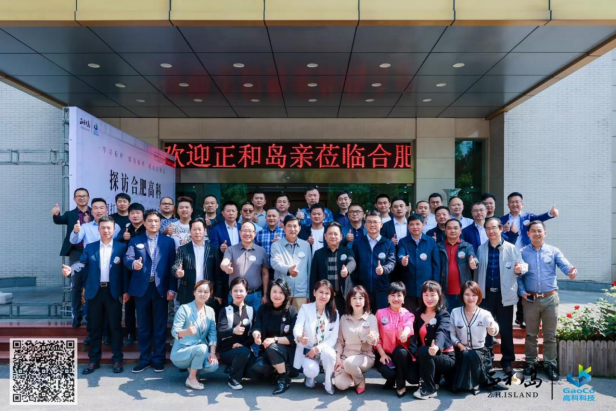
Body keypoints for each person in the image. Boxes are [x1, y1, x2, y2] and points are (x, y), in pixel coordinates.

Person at [61, 215, 127, 375]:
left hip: (113, 292)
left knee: (115, 327)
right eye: (103, 228)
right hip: (95, 292)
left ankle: (117, 359)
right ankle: (94, 361)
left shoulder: (121, 247)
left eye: (109, 228)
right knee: (95, 327)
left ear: (114, 230)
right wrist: (71, 270)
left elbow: (125, 272)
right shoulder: (90, 247)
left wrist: (125, 291)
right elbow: (81, 263)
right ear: (98, 229)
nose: (106, 230)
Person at [518, 221, 577, 381]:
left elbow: (565, 265)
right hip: (530, 299)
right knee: (531, 334)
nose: (536, 234)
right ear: (528, 234)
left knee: (550, 335)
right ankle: (531, 363)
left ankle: (550, 364)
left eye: (539, 231)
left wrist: (571, 271)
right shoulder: (522, 253)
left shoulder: (553, 251)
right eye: (533, 231)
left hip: (550, 298)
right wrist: (522, 292)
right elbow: (519, 276)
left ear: (545, 233)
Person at [124, 210, 177, 373]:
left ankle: (158, 359)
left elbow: (173, 266)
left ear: (160, 223)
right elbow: (127, 258)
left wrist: (172, 287)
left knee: (160, 325)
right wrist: (133, 264)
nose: (153, 223)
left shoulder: (168, 242)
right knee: (143, 326)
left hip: (161, 288)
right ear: (144, 223)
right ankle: (145, 359)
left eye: (156, 221)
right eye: (150, 221)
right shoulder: (135, 240)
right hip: (141, 288)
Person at [474, 217, 526, 374]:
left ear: (501, 229)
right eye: (487, 228)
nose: (490, 231)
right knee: (486, 328)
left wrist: (520, 269)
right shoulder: (481, 249)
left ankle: (507, 361)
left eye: (493, 228)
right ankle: (487, 360)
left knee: (505, 329)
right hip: (486, 295)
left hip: (505, 295)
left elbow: (522, 265)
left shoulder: (511, 248)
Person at [449, 281, 507, 394]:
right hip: (460, 351)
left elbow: (493, 325)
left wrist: (492, 329)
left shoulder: (484, 314)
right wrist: (459, 345)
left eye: (474, 295)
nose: (470, 298)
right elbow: (451, 334)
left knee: (470, 355)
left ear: (479, 296)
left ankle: (473, 383)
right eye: (467, 294)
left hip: (479, 352)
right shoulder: (455, 312)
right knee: (465, 354)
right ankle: (473, 381)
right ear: (462, 295)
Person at [52, 187, 92, 327]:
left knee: (91, 284)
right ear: (74, 199)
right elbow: (59, 220)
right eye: (78, 196)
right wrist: (56, 214)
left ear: (88, 198)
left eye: (84, 195)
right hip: (76, 252)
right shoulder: (70, 214)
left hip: (93, 252)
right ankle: (77, 315)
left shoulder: (94, 213)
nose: (81, 198)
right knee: (76, 285)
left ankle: (90, 315)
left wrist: (90, 220)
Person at [251, 278, 298, 395]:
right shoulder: (263, 309)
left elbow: (293, 339)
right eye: (274, 291)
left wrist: (274, 340)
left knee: (272, 347)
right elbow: (257, 327)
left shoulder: (292, 311)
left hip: (286, 351)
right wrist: (256, 335)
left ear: (286, 294)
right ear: (269, 293)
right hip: (267, 350)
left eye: (281, 292)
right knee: (256, 368)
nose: (277, 295)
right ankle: (277, 372)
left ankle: (283, 379)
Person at [410, 281, 455, 400]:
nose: (429, 298)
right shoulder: (418, 313)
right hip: (425, 356)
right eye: (426, 295)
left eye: (432, 295)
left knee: (424, 350)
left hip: (444, 357)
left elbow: (442, 332)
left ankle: (428, 389)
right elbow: (413, 334)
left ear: (439, 296)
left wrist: (436, 346)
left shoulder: (443, 314)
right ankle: (432, 381)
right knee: (413, 370)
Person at [170, 280, 219, 390]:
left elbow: (212, 333)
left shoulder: (210, 311)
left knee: (213, 365)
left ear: (210, 294)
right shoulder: (184, 308)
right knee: (202, 348)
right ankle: (191, 378)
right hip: (182, 351)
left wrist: (212, 353)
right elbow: (174, 331)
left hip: (200, 350)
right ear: (194, 292)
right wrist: (186, 332)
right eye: (200, 291)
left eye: (206, 292)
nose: (202, 294)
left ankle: (193, 369)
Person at [294, 280, 340, 395]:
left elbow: (333, 339)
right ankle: (310, 377)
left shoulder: (334, 313)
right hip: (308, 351)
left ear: (331, 295)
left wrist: (317, 349)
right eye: (321, 292)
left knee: (329, 354)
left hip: (323, 350)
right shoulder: (305, 308)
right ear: (314, 292)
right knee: (311, 370)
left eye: (327, 293)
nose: (323, 296)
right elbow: (298, 326)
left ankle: (328, 380)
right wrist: (299, 337)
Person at [333, 285, 379, 394]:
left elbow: (375, 339)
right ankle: (354, 375)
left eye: (360, 298)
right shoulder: (344, 318)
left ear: (365, 300)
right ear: (349, 301)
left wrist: (372, 338)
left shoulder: (371, 318)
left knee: (350, 363)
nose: (357, 301)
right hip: (346, 357)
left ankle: (360, 379)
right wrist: (338, 358)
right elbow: (340, 341)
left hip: (364, 356)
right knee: (340, 385)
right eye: (354, 298)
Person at [375, 282, 416, 396]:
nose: (396, 298)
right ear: (388, 298)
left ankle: (400, 379)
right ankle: (400, 384)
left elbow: (408, 326)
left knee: (413, 377)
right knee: (389, 373)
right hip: (385, 353)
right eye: (392, 295)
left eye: (399, 295)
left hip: (403, 355)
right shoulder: (380, 313)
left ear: (404, 298)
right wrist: (382, 354)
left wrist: (405, 333)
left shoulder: (408, 314)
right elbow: (377, 337)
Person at [351, 211, 396, 311]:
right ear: (365, 224)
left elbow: (391, 262)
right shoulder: (358, 243)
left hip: (382, 289)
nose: (372, 225)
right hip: (362, 290)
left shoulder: (388, 243)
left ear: (381, 224)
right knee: (363, 317)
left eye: (375, 222)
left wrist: (384, 269)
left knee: (381, 317)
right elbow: (354, 264)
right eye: (369, 222)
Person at [220, 221, 269, 311]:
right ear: (240, 232)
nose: (247, 233)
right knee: (233, 319)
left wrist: (265, 295)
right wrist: (226, 267)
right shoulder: (231, 249)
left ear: (254, 233)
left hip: (255, 296)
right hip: (235, 295)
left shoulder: (261, 251)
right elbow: (224, 263)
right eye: (244, 231)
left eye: (250, 231)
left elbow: (265, 274)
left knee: (255, 319)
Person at [217, 277, 256, 390]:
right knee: (243, 352)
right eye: (235, 291)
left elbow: (253, 333)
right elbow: (220, 333)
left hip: (245, 349)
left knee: (256, 371)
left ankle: (234, 368)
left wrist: (243, 344)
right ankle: (233, 379)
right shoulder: (225, 310)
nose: (238, 294)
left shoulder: (251, 310)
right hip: (227, 350)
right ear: (231, 292)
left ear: (246, 292)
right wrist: (233, 331)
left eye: (241, 291)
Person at [397, 214, 440, 313]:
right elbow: (400, 255)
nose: (415, 227)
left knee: (426, 314)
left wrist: (435, 285)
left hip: (427, 288)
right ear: (408, 226)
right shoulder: (403, 241)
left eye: (417, 224)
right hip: (409, 287)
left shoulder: (431, 241)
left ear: (423, 225)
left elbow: (436, 265)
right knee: (409, 315)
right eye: (412, 224)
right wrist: (402, 260)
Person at [310, 222, 356, 311]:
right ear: (325, 236)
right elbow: (313, 277)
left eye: (335, 234)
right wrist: (313, 297)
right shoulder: (318, 254)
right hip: (324, 297)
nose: (333, 236)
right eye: (330, 234)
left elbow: (352, 262)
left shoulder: (347, 251)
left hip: (343, 296)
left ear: (341, 236)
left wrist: (347, 270)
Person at [172, 218, 217, 306]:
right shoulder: (183, 249)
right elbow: (175, 266)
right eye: (194, 229)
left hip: (207, 291)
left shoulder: (213, 249)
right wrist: (177, 272)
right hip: (187, 292)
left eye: (200, 229)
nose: (197, 232)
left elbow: (218, 273)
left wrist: (218, 293)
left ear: (205, 231)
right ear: (190, 231)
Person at [270, 216, 312, 310]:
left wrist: (308, 293)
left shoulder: (305, 245)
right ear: (284, 228)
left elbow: (309, 270)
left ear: (299, 228)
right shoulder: (276, 245)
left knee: (300, 318)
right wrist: (288, 270)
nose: (292, 229)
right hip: (282, 291)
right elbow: (275, 263)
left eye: (295, 226)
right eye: (289, 226)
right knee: (282, 318)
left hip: (301, 293)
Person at [120, 202, 146, 345]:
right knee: (129, 304)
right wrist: (123, 238)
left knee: (144, 307)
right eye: (132, 213)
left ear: (143, 215)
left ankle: (145, 334)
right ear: (128, 216)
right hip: (128, 270)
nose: (135, 215)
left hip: (144, 273)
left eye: (138, 213)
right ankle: (130, 333)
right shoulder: (125, 230)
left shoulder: (148, 229)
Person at [439, 219, 477, 312]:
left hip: (463, 291)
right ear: (445, 230)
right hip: (444, 291)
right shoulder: (439, 247)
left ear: (460, 231)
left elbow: (473, 258)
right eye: (449, 228)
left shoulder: (467, 246)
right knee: (446, 318)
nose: (452, 230)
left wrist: (474, 263)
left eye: (456, 228)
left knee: (462, 318)